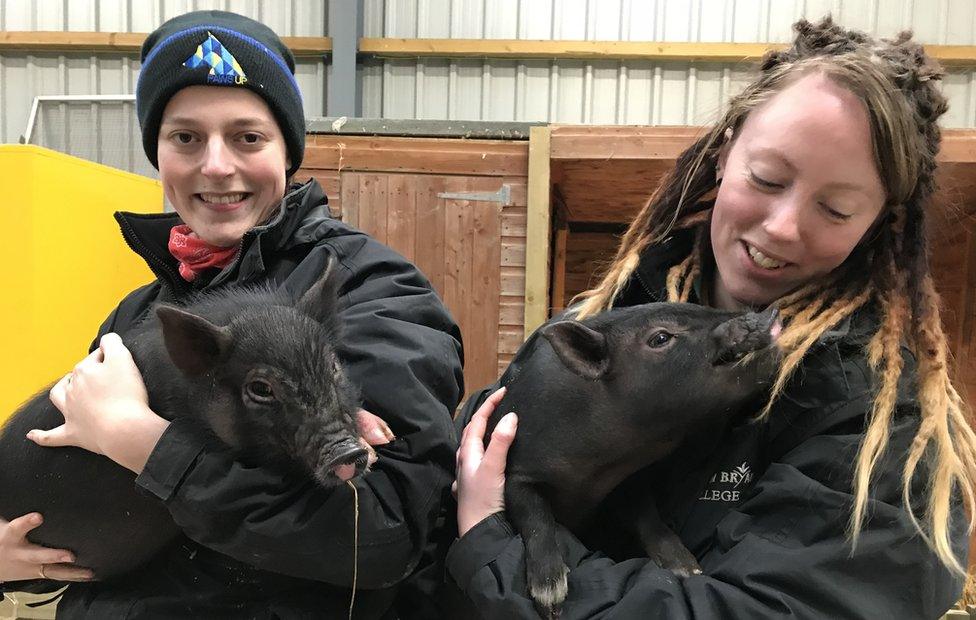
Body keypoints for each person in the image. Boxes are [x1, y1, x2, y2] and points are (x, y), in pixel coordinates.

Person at [452, 17, 976, 619]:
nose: (782, 227)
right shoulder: (609, 316)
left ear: (879, 222)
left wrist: (495, 553)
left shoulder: (881, 429)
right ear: (725, 152)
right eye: (767, 177)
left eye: (834, 209)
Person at [0, 10, 463, 619]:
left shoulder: (369, 291)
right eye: (185, 138)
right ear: (158, 153)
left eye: (247, 137)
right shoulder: (142, 311)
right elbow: (87, 510)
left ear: (288, 149)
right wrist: (9, 564)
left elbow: (379, 535)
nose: (216, 166)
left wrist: (145, 446)